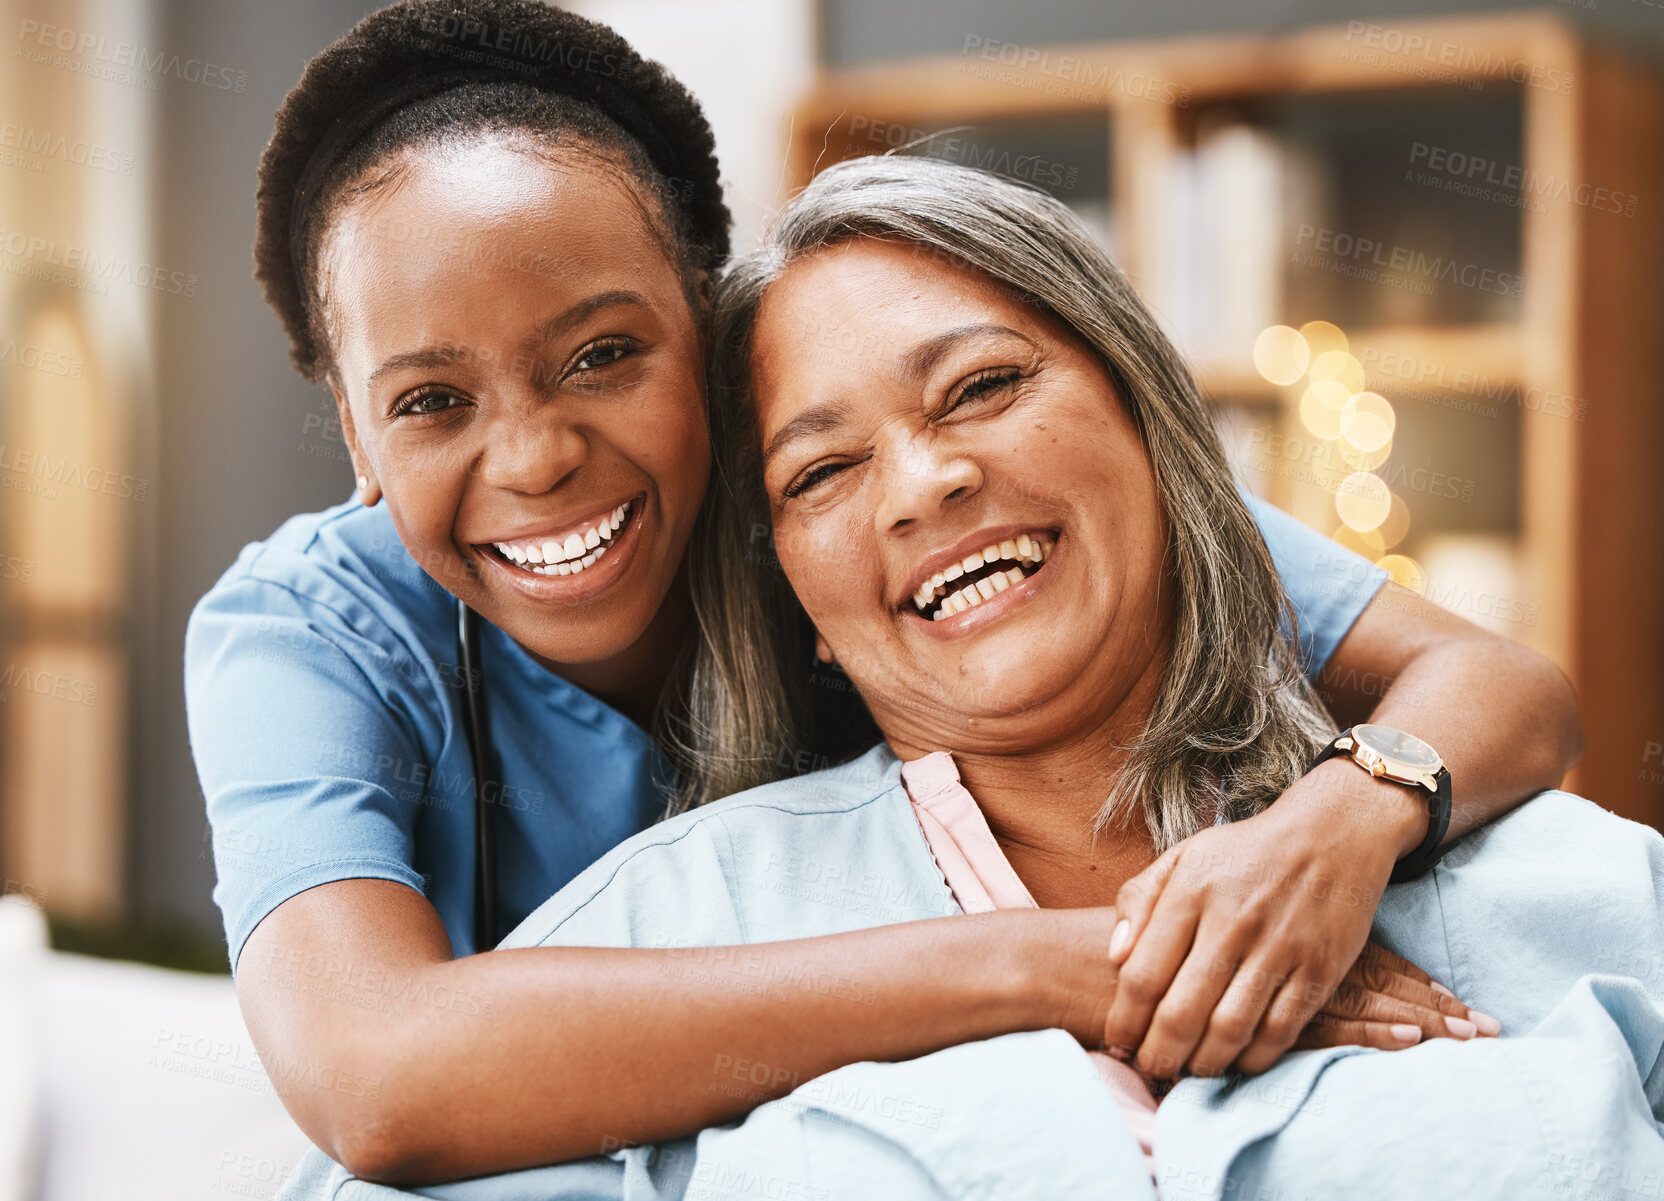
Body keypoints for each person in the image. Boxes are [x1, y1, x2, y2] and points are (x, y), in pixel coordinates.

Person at [190, 0, 1580, 1184]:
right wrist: (1072, 966)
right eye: (430, 400)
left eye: (602, 356)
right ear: (354, 434)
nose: (539, 454)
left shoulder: (883, 486)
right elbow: (375, 1072)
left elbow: (1498, 684)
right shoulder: (311, 635)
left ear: (704, 314)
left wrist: (1335, 827)